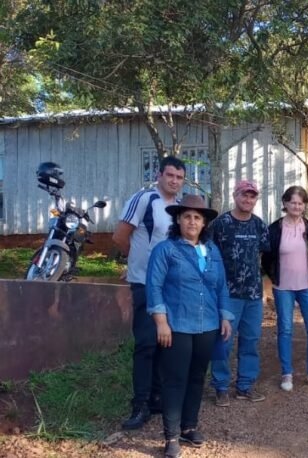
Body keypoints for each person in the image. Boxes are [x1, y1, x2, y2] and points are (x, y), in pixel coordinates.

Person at [146, 194, 233, 458]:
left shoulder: (212, 250)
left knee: (197, 377)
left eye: (197, 217)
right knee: (175, 380)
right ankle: (171, 437)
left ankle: (189, 427)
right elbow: (154, 286)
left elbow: (221, 286)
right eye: (187, 217)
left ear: (204, 223)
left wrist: (225, 315)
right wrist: (161, 322)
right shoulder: (166, 250)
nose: (192, 222)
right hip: (177, 325)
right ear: (178, 220)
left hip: (208, 324)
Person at [112, 155, 185, 430]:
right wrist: (135, 263)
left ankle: (157, 397)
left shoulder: (180, 207)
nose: (174, 181)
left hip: (171, 286)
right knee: (145, 343)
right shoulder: (144, 199)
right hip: (144, 283)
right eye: (170, 175)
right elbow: (120, 236)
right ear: (159, 175)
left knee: (165, 343)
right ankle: (140, 404)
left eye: (179, 177)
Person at [262, 186, 308, 391]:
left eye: (301, 203)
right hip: (283, 287)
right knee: (285, 329)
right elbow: (266, 258)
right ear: (285, 203)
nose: (297, 206)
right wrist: (273, 278)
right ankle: (287, 374)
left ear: (304, 205)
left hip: (307, 287)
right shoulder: (274, 229)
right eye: (293, 202)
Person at [209, 180, 270, 406]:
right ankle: (221, 387)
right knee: (223, 342)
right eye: (244, 195)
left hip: (253, 295)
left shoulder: (259, 225)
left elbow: (264, 257)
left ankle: (245, 386)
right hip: (228, 295)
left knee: (250, 341)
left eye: (252, 196)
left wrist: (265, 289)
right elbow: (208, 256)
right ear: (235, 196)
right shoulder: (220, 224)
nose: (248, 199)